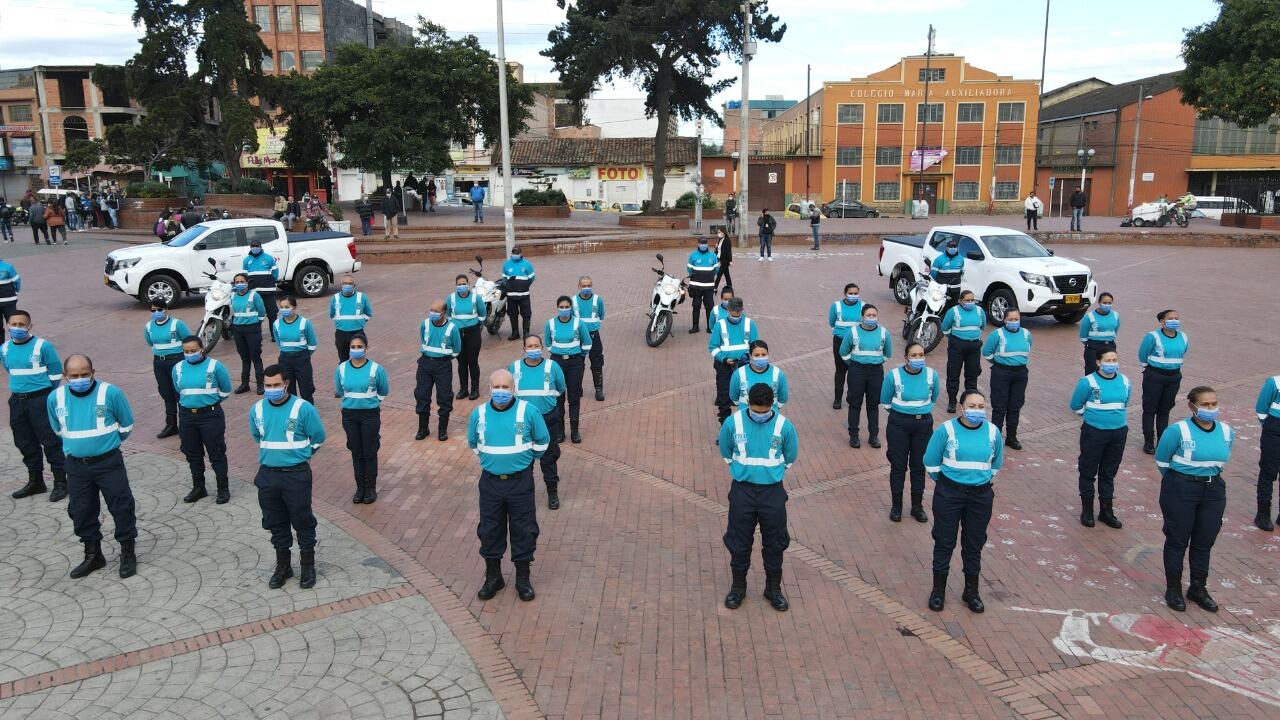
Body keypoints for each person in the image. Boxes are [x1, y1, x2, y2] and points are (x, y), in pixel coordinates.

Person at [47, 355, 137, 579]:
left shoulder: (111, 393)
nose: (79, 379)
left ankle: (127, 552)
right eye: (74, 376)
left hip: (108, 463)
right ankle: (93, 554)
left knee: (121, 505)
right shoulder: (55, 397)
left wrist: (104, 445)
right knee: (81, 510)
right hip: (77, 466)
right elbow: (57, 429)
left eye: (84, 374)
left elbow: (126, 425)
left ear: (93, 372)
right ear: (65, 376)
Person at [469, 369, 550, 601]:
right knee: (489, 529)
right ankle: (493, 577)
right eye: (497, 387)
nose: (501, 392)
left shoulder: (529, 412)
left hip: (519, 482)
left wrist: (523, 461)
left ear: (513, 389)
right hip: (491, 482)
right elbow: (473, 443)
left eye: (506, 387)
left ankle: (522, 579)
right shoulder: (479, 413)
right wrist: (493, 462)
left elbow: (543, 440)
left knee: (524, 528)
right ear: (489, 388)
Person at [719, 383, 798, 611]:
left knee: (775, 541)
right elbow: (726, 451)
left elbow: (790, 455)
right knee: (738, 540)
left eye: (765, 412)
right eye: (756, 411)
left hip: (772, 492)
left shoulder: (784, 426)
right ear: (748, 405)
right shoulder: (733, 422)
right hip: (742, 490)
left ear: (772, 406)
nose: (760, 415)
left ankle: (773, 589)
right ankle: (738, 588)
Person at [1155, 387, 1234, 612]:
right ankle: (1173, 589)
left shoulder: (1227, 431)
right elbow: (1162, 460)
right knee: (1177, 539)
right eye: (1205, 405)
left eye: (1214, 404)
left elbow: (1222, 458)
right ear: (1192, 406)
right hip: (1181, 489)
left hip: (1213, 491)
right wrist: (1180, 481)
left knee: (1204, 540)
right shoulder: (1178, 430)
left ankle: (1198, 588)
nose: (1211, 409)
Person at [924, 389, 1003, 613]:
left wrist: (978, 482)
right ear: (961, 407)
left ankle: (971, 591)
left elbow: (996, 464)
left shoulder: (992, 432)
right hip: (949, 494)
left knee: (973, 543)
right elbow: (930, 461)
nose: (977, 411)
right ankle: (938, 591)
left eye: (981, 406)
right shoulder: (946, 430)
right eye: (972, 406)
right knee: (944, 541)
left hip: (980, 496)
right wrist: (949, 483)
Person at [250, 364, 326, 590]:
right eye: (267, 385)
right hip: (268, 475)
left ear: (286, 384)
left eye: (275, 385)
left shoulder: (303, 408)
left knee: (302, 520)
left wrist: (301, 455)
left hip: (296, 474)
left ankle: (307, 566)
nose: (271, 389)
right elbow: (257, 436)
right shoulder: (257, 410)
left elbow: (319, 437)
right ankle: (283, 566)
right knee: (275, 522)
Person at [3, 311, 66, 501]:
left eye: (22, 324)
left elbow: (55, 373)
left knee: (51, 441)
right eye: (13, 323)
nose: (17, 327)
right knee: (25, 441)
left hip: (40, 400)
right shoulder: (4, 349)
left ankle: (61, 482)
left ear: (29, 326)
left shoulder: (42, 346)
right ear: (7, 325)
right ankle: (36, 481)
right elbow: (9, 369)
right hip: (17, 401)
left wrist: (45, 393)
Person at [1068, 349, 1129, 529]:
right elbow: (1075, 405)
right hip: (1094, 433)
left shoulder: (1125, 381)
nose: (1112, 363)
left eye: (1114, 359)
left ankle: (1106, 511)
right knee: (1088, 470)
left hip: (1118, 433)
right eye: (1108, 360)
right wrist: (1092, 419)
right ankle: (1087, 511)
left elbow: (1125, 403)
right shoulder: (1088, 382)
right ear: (1098, 362)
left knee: (1108, 472)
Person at [880, 342, 940, 523]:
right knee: (898, 466)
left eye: (921, 355)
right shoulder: (894, 376)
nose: (918, 358)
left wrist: (918, 412)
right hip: (899, 425)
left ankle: (917, 506)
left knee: (918, 466)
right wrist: (903, 414)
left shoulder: (932, 375)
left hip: (923, 425)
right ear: (906, 357)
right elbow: (885, 401)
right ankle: (896, 506)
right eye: (914, 355)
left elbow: (934, 397)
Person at [172, 336, 232, 504]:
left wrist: (209, 403)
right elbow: (178, 390)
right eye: (186, 351)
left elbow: (226, 389)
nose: (189, 354)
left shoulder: (215, 366)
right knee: (192, 453)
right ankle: (199, 487)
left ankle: (223, 488)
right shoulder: (177, 368)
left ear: (202, 349)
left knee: (216, 452)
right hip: (187, 417)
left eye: (193, 350)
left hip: (210, 416)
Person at [510, 335, 567, 509]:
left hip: (547, 419)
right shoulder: (515, 367)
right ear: (524, 349)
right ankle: (524, 495)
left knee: (548, 458)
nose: (533, 349)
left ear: (542, 347)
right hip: (523, 422)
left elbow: (560, 388)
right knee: (524, 459)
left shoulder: (552, 366)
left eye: (536, 346)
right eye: (530, 346)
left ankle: (552, 492)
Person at [335, 334, 388, 504]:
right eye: (353, 347)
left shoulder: (376, 369)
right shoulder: (341, 369)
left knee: (369, 452)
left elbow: (383, 390)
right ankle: (360, 488)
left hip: (370, 415)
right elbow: (340, 390)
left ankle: (370, 488)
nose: (356, 350)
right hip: (350, 416)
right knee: (356, 452)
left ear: (366, 348)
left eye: (359, 347)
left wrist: (370, 403)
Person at [839, 303, 891, 448]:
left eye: (874, 315)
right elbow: (843, 352)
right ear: (862, 317)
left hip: (876, 372)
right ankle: (854, 436)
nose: (871, 318)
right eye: (868, 315)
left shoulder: (884, 333)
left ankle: (873, 436)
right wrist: (855, 364)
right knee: (855, 404)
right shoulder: (853, 332)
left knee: (873, 405)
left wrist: (874, 362)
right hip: (857, 371)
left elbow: (888, 354)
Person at [1138, 309, 1187, 455]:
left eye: (1176, 318)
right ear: (1162, 322)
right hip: (1154, 376)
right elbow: (1142, 355)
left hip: (1174, 377)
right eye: (1171, 318)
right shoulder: (1152, 336)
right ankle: (1148, 441)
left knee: (1164, 410)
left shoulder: (1183, 337)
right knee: (1150, 409)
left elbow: (1183, 352)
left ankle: (1162, 441)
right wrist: (1150, 369)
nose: (1174, 320)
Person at [981, 308, 1031, 450]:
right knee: (999, 406)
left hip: (1020, 373)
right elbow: (987, 352)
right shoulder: (997, 334)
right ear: (1004, 320)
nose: (1014, 322)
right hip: (1001, 373)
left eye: (1016, 319)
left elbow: (1027, 349)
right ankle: (995, 438)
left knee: (1015, 406)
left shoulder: (1026, 334)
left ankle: (1011, 437)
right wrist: (999, 364)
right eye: (1011, 319)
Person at [545, 295, 593, 444]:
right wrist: (558, 354)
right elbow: (547, 343)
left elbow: (587, 343)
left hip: (574, 363)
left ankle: (574, 431)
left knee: (574, 397)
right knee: (558, 397)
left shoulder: (578, 323)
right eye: (562, 307)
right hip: (557, 363)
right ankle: (560, 431)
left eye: (567, 307)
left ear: (571, 308)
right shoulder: (550, 323)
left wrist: (579, 357)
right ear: (557, 307)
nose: (564, 309)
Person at [416, 299, 461, 441]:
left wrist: (443, 357)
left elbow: (457, 349)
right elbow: (423, 340)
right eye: (431, 310)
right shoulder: (425, 324)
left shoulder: (452, 328)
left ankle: (442, 430)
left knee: (444, 396)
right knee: (422, 395)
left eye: (436, 311)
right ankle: (423, 428)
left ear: (443, 313)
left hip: (443, 365)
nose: (432, 313)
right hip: (425, 364)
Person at [144, 298, 189, 439]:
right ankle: (171, 425)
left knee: (179, 393)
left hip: (176, 362)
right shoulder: (148, 327)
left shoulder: (177, 324)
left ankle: (185, 425)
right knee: (166, 393)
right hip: (159, 363)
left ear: (166, 309)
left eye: (159, 309)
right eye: (153, 310)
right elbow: (150, 342)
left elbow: (189, 341)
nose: (156, 312)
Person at [710, 297, 759, 425]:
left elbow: (755, 345)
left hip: (745, 366)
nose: (736, 317)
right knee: (724, 396)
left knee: (747, 395)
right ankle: (725, 426)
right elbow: (713, 347)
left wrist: (748, 357)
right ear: (728, 310)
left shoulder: (750, 324)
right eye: (733, 314)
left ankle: (747, 424)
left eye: (738, 314)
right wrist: (724, 359)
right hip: (724, 367)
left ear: (742, 310)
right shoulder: (719, 325)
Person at [941, 290, 986, 413]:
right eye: (967, 300)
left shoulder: (979, 311)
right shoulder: (953, 311)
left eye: (972, 300)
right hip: (957, 346)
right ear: (960, 301)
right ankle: (952, 401)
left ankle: (970, 400)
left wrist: (973, 336)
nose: (970, 302)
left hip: (974, 347)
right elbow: (945, 328)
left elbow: (982, 327)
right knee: (953, 374)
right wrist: (955, 339)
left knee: (972, 374)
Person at [228, 272, 267, 395]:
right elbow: (232, 312)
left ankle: (260, 384)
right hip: (238, 330)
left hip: (252, 329)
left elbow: (262, 312)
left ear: (247, 282)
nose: (239, 284)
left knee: (255, 356)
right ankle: (245, 384)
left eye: (242, 281)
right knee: (244, 357)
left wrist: (256, 324)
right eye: (237, 282)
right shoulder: (233, 296)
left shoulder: (254, 296)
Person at [448, 273, 486, 401]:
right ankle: (463, 389)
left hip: (473, 333)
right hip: (457, 334)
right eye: (459, 284)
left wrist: (477, 326)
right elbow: (448, 315)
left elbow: (482, 314)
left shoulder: (476, 298)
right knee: (461, 362)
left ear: (469, 284)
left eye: (464, 284)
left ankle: (474, 389)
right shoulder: (451, 298)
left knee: (473, 361)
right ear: (455, 285)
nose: (462, 286)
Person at [273, 296, 317, 404]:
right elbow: (279, 342)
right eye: (281, 307)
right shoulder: (276, 324)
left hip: (302, 359)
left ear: (294, 307)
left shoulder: (304, 323)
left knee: (306, 389)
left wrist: (304, 355)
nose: (284, 309)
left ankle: (308, 413)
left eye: (287, 307)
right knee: (288, 390)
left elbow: (312, 343)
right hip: (285, 359)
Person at [828, 283, 862, 410]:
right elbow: (831, 322)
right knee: (840, 371)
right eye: (851, 293)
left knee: (854, 371)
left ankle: (851, 396)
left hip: (856, 344)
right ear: (845, 293)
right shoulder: (836, 306)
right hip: (840, 342)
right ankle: (838, 399)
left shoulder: (863, 306)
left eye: (855, 293)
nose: (853, 295)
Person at [572, 276, 606, 401]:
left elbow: (601, 315)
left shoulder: (598, 300)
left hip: (593, 335)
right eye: (584, 286)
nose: (586, 288)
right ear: (579, 286)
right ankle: (577, 389)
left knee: (597, 362)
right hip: (578, 337)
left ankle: (599, 390)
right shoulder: (573, 301)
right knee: (578, 363)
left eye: (589, 285)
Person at [328, 275, 373, 364]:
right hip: (341, 333)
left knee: (359, 356)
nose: (347, 285)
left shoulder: (362, 297)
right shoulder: (335, 298)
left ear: (354, 285)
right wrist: (341, 323)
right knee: (343, 358)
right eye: (345, 283)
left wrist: (360, 322)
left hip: (357, 332)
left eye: (350, 283)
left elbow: (368, 313)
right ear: (341, 285)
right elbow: (332, 314)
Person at [1255, 375, 1280, 531]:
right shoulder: (1274, 382)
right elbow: (1261, 408)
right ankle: (1263, 514)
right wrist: (1270, 426)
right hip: (1274, 430)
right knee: (1268, 471)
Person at [243, 238, 280, 340]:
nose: (255, 247)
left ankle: (274, 335)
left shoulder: (268, 258)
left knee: (272, 314)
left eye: (257, 246)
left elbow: (275, 273)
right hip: (254, 293)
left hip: (268, 292)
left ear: (260, 247)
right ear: (250, 247)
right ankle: (256, 335)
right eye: (253, 246)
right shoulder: (246, 260)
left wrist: (269, 281)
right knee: (255, 315)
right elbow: (245, 276)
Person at [1079, 292, 1119, 376]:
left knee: (1109, 371)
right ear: (1099, 302)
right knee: (1092, 371)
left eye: (1109, 303)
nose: (1107, 305)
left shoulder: (1116, 315)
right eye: (1104, 303)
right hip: (1093, 347)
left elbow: (1115, 331)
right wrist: (1092, 344)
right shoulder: (1089, 316)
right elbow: (1083, 336)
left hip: (1110, 346)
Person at [686, 237, 720, 333]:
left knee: (709, 307)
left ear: (707, 244)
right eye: (701, 243)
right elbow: (689, 269)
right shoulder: (693, 256)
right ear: (698, 244)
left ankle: (710, 327)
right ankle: (695, 327)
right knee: (696, 306)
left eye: (705, 243)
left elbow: (716, 270)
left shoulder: (713, 256)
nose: (703, 245)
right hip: (696, 287)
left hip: (708, 287)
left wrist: (707, 276)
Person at [502, 246, 535, 340]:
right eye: (513, 253)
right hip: (511, 295)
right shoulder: (506, 264)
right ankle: (515, 332)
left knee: (526, 314)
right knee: (512, 313)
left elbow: (532, 278)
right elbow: (504, 278)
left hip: (524, 295)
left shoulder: (527, 264)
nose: (515, 255)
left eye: (517, 253)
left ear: (521, 254)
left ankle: (526, 333)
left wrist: (524, 285)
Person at [0, 255, 20, 334]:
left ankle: (1, 346)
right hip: (9, 299)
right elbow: (17, 281)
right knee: (14, 324)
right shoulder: (8, 267)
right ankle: (16, 343)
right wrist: (15, 292)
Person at [713, 225, 734, 291]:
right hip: (719, 259)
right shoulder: (720, 239)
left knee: (719, 274)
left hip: (724, 260)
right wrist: (716, 247)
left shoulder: (727, 240)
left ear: (723, 232)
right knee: (726, 274)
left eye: (719, 232)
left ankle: (715, 287)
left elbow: (728, 251)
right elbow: (718, 250)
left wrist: (730, 261)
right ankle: (729, 286)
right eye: (718, 232)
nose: (718, 234)